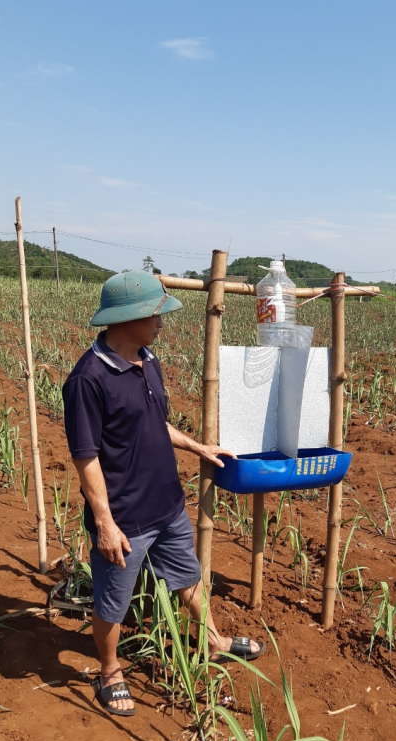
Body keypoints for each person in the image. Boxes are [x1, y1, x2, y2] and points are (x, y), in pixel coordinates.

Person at [62, 270, 264, 717]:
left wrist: (198, 446)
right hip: (125, 518)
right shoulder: (88, 379)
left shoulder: (147, 360)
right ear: (127, 318)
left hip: (167, 504)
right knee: (112, 602)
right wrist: (105, 523)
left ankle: (213, 642)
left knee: (189, 579)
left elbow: (153, 423)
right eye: (155, 315)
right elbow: (85, 456)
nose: (161, 323)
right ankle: (110, 670)